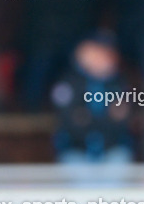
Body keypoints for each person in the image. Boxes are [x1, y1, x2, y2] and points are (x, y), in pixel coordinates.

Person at [51, 31, 134, 181]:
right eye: (98, 52)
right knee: (82, 182)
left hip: (111, 151)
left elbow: (121, 123)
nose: (103, 58)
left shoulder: (119, 84)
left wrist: (87, 117)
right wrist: (105, 117)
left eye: (107, 53)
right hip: (77, 151)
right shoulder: (69, 82)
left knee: (117, 168)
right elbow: (70, 123)